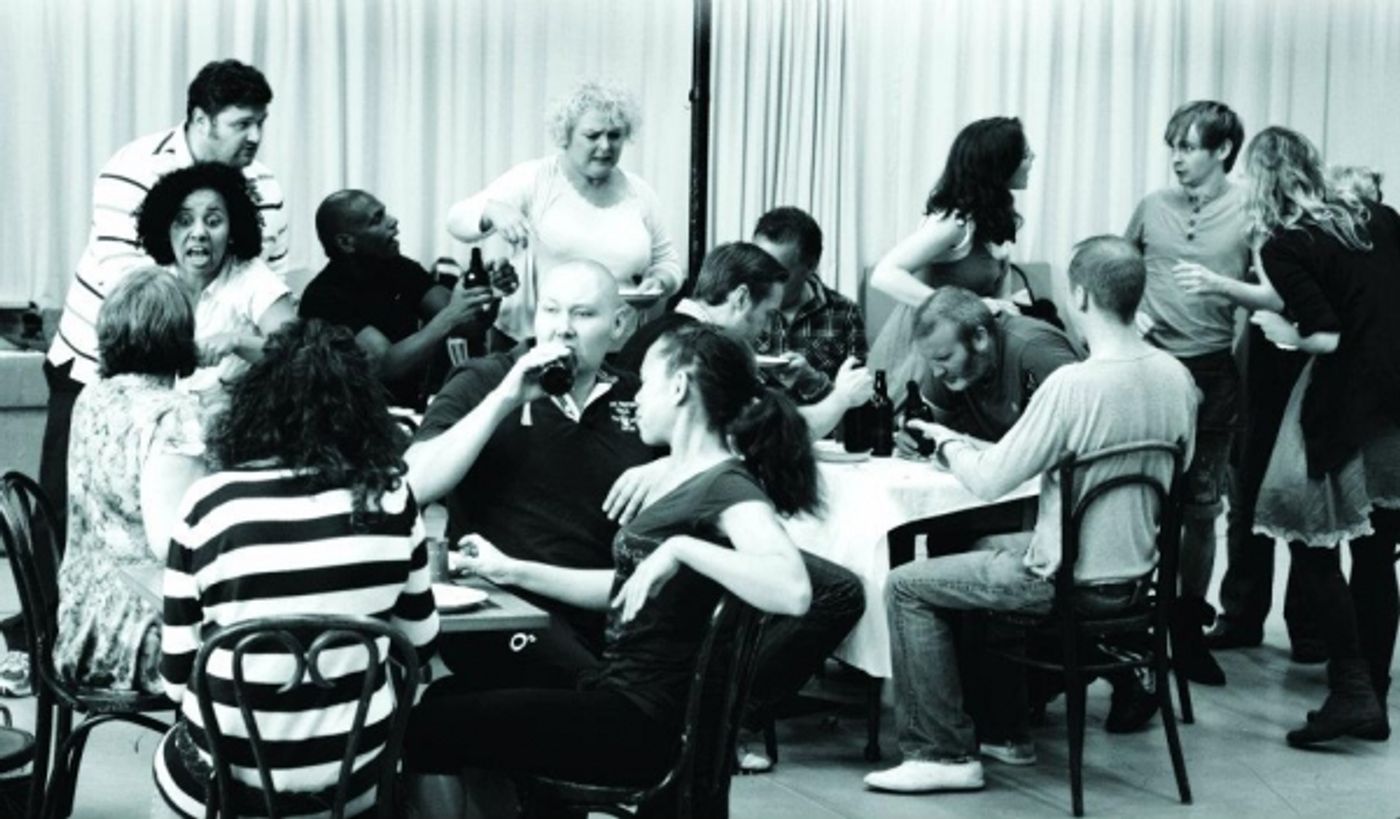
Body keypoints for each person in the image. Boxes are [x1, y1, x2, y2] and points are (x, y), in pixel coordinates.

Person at [405, 260, 863, 775]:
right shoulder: (489, 381)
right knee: (443, 710)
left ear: (622, 328)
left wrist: (681, 535)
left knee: (423, 724)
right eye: (551, 310)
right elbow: (626, 585)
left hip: (637, 701)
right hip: (587, 659)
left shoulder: (710, 479)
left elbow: (796, 589)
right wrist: (510, 568)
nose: (561, 327)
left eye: (582, 314)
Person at [864, 236, 1197, 795]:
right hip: (1139, 580)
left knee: (905, 586)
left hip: (1062, 580)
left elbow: (991, 477)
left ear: (1082, 295)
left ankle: (942, 752)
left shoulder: (1072, 385)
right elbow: (1178, 472)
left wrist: (946, 442)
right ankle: (1003, 726)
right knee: (976, 555)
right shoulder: (1177, 378)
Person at [152, 320, 440, 818]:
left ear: (256, 401)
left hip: (230, 785)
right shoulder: (392, 497)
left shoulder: (211, 504)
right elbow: (420, 647)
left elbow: (177, 677)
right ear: (363, 408)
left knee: (171, 763)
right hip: (353, 781)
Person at [40, 59, 285, 535]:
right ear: (199, 120)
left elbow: (266, 283)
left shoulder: (265, 187)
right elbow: (129, 291)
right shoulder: (134, 168)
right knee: (69, 508)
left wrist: (230, 363)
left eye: (260, 123)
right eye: (241, 124)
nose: (254, 137)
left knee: (170, 513)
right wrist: (201, 355)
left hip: (203, 385)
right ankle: (50, 608)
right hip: (98, 364)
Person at [1239, 127, 1400, 747]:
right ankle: (1372, 698)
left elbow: (1325, 334)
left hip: (1341, 404)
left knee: (1308, 540)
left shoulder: (1285, 242)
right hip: (1393, 404)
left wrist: (1281, 326)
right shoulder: (1378, 220)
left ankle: (1352, 692)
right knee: (1376, 554)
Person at [1123, 100, 1251, 686]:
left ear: (1222, 150)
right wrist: (1129, 318)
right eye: (1172, 146)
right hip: (1149, 371)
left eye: (1188, 147)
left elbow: (1275, 287)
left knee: (1201, 510)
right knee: (1139, 502)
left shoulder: (1250, 208)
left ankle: (1185, 627)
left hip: (1213, 375)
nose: (1176, 158)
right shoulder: (1152, 207)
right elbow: (1115, 274)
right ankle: (1127, 624)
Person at [52, 268, 207, 696]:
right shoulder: (174, 415)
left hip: (79, 626)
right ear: (180, 335)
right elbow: (171, 546)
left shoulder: (92, 397)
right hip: (138, 641)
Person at [445, 80, 682, 346]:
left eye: (614, 135)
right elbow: (456, 220)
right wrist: (492, 209)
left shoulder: (640, 192)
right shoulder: (535, 179)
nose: (605, 146)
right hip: (534, 343)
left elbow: (668, 263)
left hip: (615, 345)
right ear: (565, 136)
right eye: (592, 136)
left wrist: (658, 280)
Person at [617, 241, 875, 436]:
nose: (765, 329)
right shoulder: (709, 348)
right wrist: (843, 397)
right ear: (740, 299)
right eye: (767, 314)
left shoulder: (652, 332)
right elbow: (780, 434)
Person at [868, 116, 1035, 396]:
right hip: (922, 354)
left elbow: (999, 300)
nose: (1032, 160)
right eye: (1026, 155)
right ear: (1001, 164)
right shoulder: (953, 221)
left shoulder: (994, 217)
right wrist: (968, 308)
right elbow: (885, 274)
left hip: (965, 353)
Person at [300, 189, 512, 408]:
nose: (393, 222)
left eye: (385, 213)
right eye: (377, 220)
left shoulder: (399, 267)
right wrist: (450, 317)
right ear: (346, 242)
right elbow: (385, 366)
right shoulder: (324, 297)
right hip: (351, 418)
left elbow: (468, 325)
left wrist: (489, 294)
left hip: (407, 410)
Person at [135, 163, 296, 397]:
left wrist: (237, 341)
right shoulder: (151, 279)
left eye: (213, 221)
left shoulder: (254, 278)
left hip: (236, 419)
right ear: (165, 229)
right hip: (164, 415)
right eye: (184, 220)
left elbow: (298, 354)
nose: (199, 233)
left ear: (232, 231)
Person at [751, 206, 868, 381]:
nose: (763, 280)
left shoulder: (845, 313)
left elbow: (859, 395)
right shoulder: (738, 306)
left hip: (824, 407)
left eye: (778, 274)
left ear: (811, 266)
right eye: (758, 267)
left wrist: (811, 379)